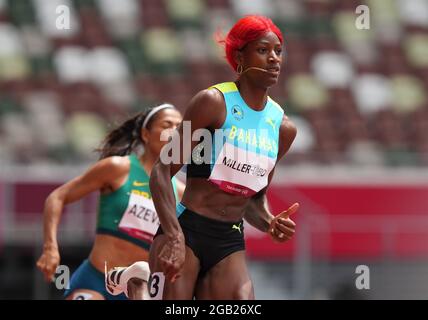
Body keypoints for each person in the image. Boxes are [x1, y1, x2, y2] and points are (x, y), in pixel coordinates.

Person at [148, 15, 299, 300]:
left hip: (229, 238)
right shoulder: (212, 103)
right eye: (263, 50)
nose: (274, 59)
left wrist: (269, 222)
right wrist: (173, 235)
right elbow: (161, 171)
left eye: (278, 51)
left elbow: (253, 198)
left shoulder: (283, 128)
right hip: (187, 229)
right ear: (240, 56)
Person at [36, 103, 184, 300]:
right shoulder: (118, 168)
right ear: (145, 134)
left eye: (179, 127)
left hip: (139, 291)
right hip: (97, 280)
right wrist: (50, 249)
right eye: (167, 125)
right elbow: (58, 197)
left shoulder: (180, 192)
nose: (173, 132)